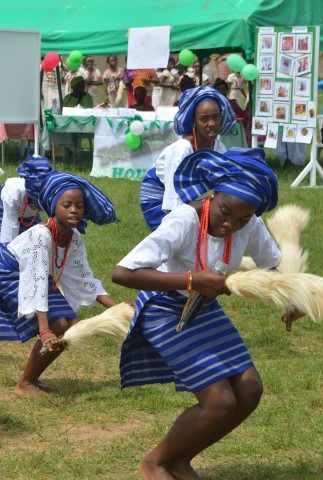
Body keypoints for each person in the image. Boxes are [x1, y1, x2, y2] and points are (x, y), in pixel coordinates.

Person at [112, 147, 292, 480]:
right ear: (214, 194)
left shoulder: (249, 223)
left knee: (250, 390)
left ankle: (180, 460)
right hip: (163, 308)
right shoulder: (184, 219)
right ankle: (155, 463)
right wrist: (193, 280)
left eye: (242, 219)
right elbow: (122, 273)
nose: (230, 225)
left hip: (202, 306)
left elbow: (272, 265)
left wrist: (291, 300)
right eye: (225, 212)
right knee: (220, 402)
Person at [0, 171, 118, 398]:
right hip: (11, 273)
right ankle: (24, 384)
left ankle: (33, 378)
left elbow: (84, 279)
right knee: (58, 324)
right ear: (53, 207)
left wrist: (118, 308)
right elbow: (36, 280)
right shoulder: (41, 235)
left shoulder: (73, 237)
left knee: (72, 324)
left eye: (79, 205)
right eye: (67, 205)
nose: (74, 210)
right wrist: (44, 329)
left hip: (34, 275)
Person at [139, 85, 236, 231]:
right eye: (204, 119)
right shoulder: (181, 150)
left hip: (185, 198)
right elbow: (172, 205)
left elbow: (225, 185)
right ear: (193, 122)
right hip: (159, 200)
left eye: (216, 117)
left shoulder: (218, 147)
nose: (212, 124)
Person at [0, 156, 51, 243]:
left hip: (28, 212)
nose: (43, 204)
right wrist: (9, 250)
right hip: (1, 207)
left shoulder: (52, 193)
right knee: (13, 246)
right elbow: (8, 236)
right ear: (32, 195)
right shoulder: (14, 194)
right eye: (39, 201)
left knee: (35, 242)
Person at [213, 79, 251, 147]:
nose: (221, 92)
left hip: (232, 134)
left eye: (223, 89)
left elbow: (243, 115)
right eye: (219, 89)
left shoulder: (232, 103)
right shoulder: (211, 104)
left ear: (227, 91)